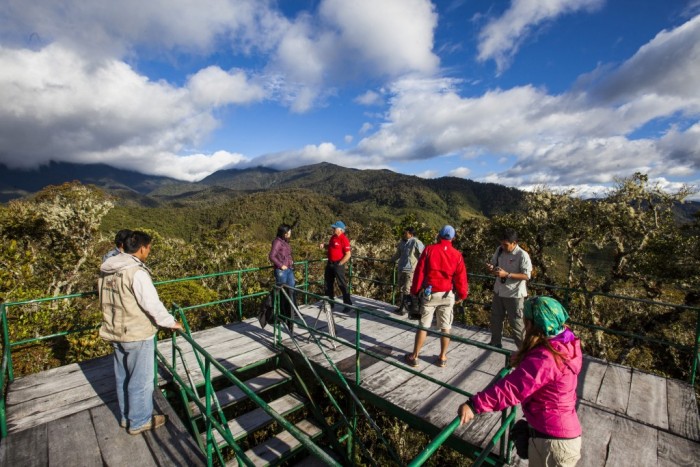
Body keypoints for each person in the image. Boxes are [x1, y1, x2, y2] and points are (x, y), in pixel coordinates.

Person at [457, 296, 582, 466]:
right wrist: (525, 358)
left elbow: (512, 389)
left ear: (531, 324)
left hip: (552, 443)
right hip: (559, 435)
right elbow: (542, 362)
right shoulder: (566, 344)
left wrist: (474, 405)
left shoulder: (547, 359)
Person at [99, 230, 183, 435]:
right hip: (136, 332)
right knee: (141, 379)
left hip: (114, 329)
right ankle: (139, 421)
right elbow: (151, 304)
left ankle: (127, 417)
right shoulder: (136, 272)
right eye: (149, 248)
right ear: (142, 248)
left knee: (123, 376)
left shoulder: (108, 269)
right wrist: (171, 322)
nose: (149, 251)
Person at [405, 225, 468, 368]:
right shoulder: (457, 255)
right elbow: (461, 278)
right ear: (453, 238)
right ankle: (442, 357)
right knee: (446, 327)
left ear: (439, 235)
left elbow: (419, 272)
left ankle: (414, 356)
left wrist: (414, 291)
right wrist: (462, 294)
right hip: (447, 294)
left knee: (424, 326)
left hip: (430, 293)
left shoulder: (429, 250)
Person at [486, 228, 532, 349]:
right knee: (496, 319)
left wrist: (507, 275)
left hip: (514, 295)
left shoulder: (522, 255)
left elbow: (527, 276)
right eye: (502, 243)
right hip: (499, 291)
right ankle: (495, 342)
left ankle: (523, 350)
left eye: (506, 244)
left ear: (514, 243)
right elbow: (494, 264)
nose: (503, 246)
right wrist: (491, 268)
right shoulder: (500, 250)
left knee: (516, 324)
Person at [390, 227, 424, 317]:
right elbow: (398, 254)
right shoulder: (402, 242)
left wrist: (421, 267)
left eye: (406, 233)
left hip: (410, 269)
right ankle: (401, 306)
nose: (404, 234)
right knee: (400, 288)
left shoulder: (416, 242)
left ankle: (406, 308)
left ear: (411, 234)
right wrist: (391, 260)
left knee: (407, 289)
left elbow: (422, 255)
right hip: (401, 268)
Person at [319, 220, 352, 312]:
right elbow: (331, 246)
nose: (333, 229)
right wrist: (324, 245)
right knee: (327, 283)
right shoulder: (333, 237)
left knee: (342, 284)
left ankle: (348, 304)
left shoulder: (344, 239)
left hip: (338, 264)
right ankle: (329, 303)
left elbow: (348, 254)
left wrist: (340, 263)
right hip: (330, 263)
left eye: (334, 228)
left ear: (340, 230)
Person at [269, 223, 295, 330]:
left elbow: (287, 254)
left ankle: (290, 316)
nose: (290, 233)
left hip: (289, 270)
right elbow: (271, 256)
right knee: (283, 294)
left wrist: (290, 261)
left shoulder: (285, 242)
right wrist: (281, 265)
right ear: (284, 233)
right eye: (289, 231)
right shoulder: (277, 242)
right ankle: (283, 316)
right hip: (281, 271)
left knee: (291, 292)